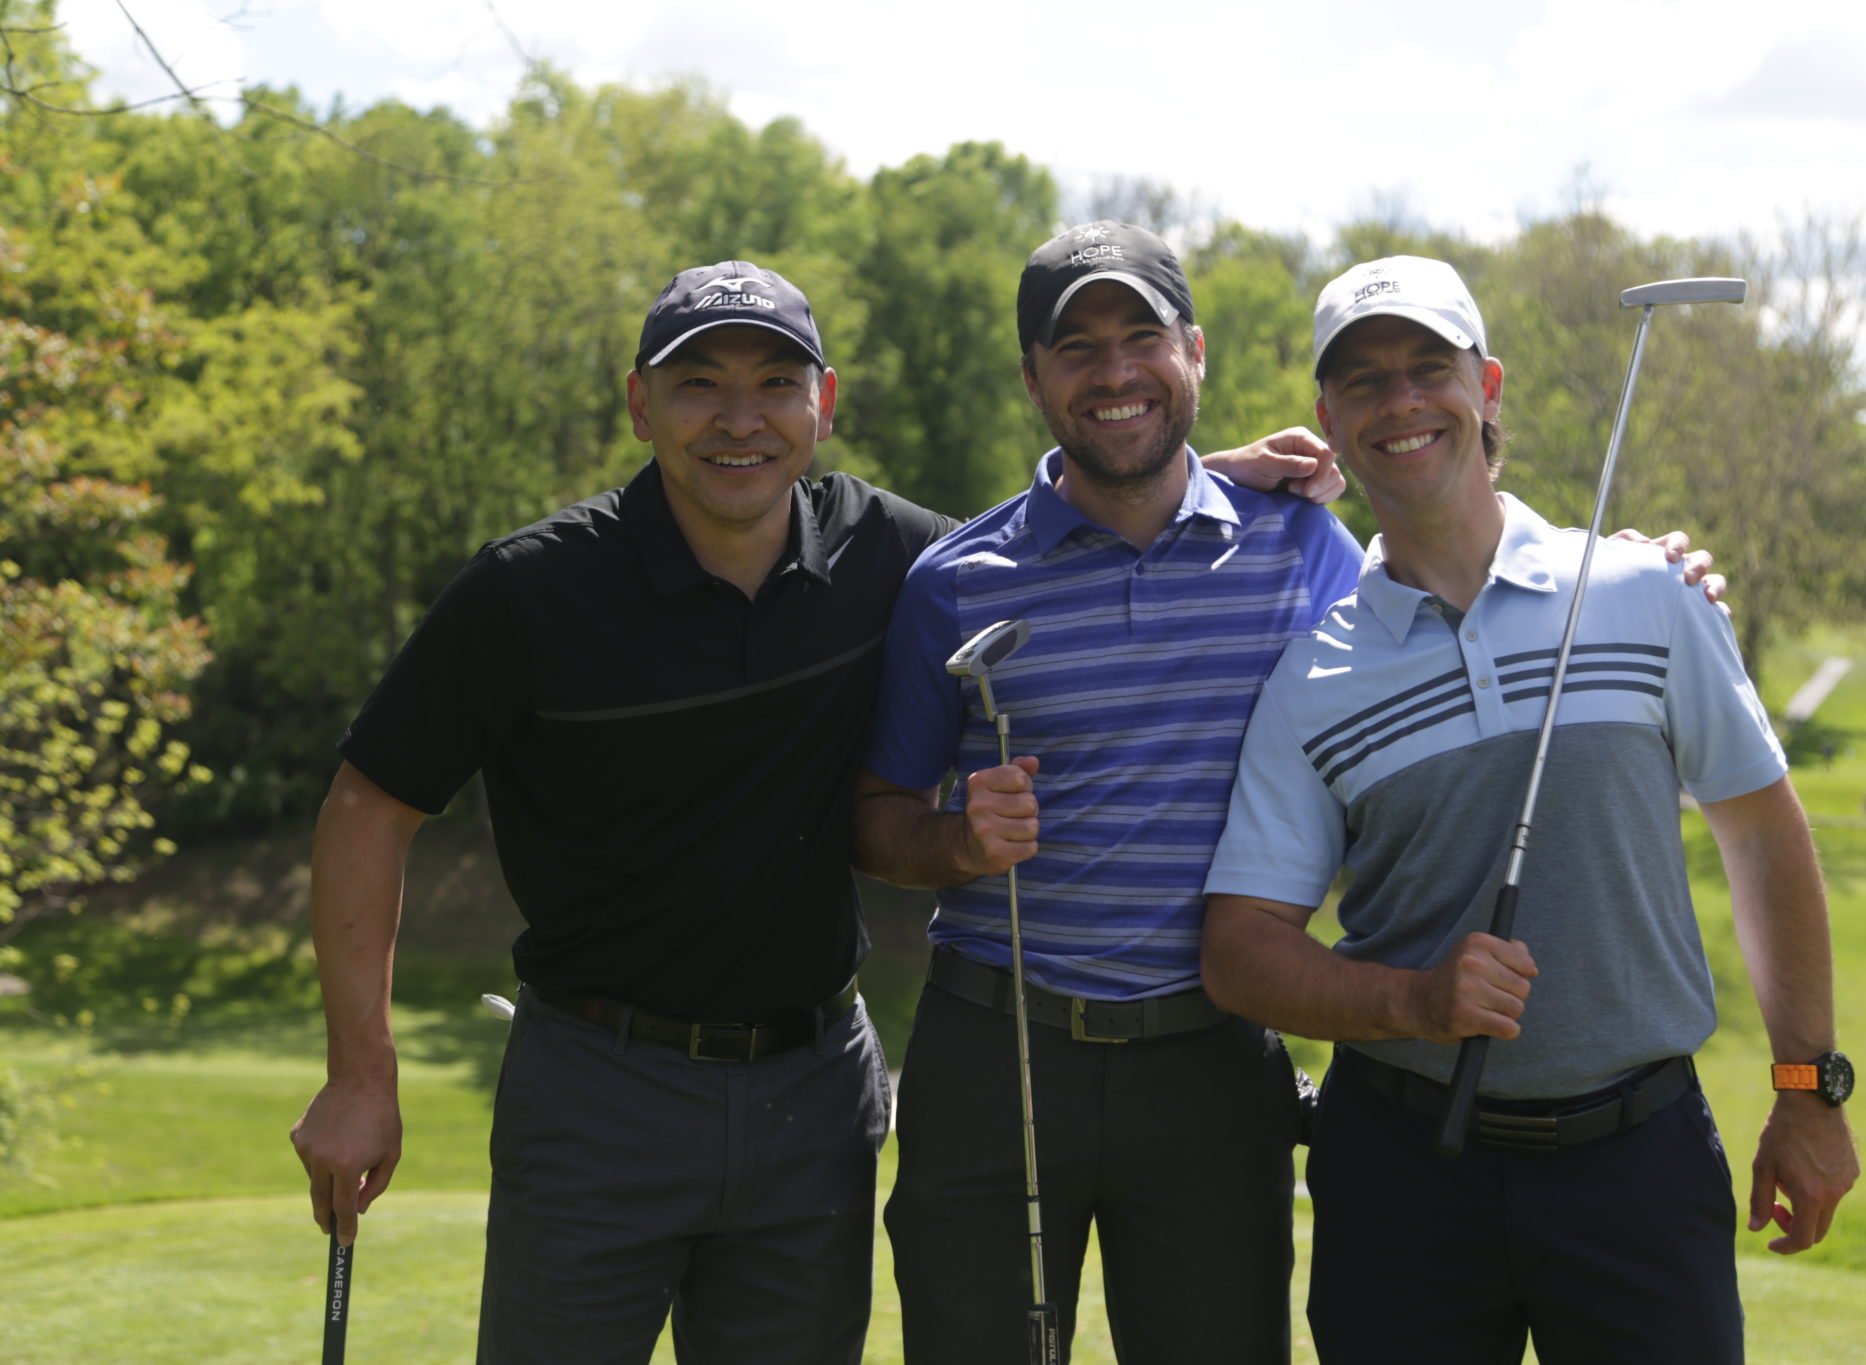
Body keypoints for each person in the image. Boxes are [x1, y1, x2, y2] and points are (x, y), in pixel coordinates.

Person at [285, 259, 1344, 1365]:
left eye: (775, 385)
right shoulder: (532, 588)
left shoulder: (886, 556)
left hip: (811, 1095)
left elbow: (1059, 525)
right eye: (698, 385)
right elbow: (366, 807)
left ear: (822, 405)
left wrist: (1187, 470)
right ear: (639, 403)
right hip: (597, 1088)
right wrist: (363, 1073)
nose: (739, 421)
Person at [852, 226, 1724, 1363]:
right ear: (1033, 379)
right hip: (997, 1052)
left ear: (1195, 355)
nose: (1114, 373)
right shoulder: (954, 582)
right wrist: (954, 843)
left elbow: (1451, 557)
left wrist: (1628, 569)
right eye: (1075, 349)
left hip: (1211, 1061)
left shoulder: (1305, 544)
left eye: (1142, 338)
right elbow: (876, 820)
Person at [1201, 255, 1860, 1363]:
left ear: (1487, 385)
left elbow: (1757, 832)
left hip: (1637, 1159)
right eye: (1362, 381)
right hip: (1404, 1175)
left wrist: (1807, 1087)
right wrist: (1414, 1001)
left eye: (1428, 367)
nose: (1399, 401)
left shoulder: (1646, 593)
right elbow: (1239, 953)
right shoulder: (1309, 677)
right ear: (1327, 416)